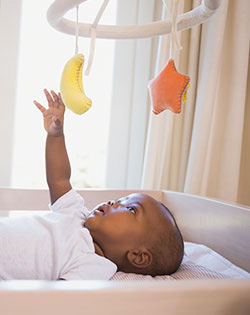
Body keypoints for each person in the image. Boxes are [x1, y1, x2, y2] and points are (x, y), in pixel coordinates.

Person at [0, 89, 183, 280]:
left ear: (138, 256)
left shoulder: (94, 266)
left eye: (131, 209)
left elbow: (54, 299)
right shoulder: (76, 214)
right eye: (121, 199)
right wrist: (56, 135)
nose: (114, 202)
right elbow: (59, 179)